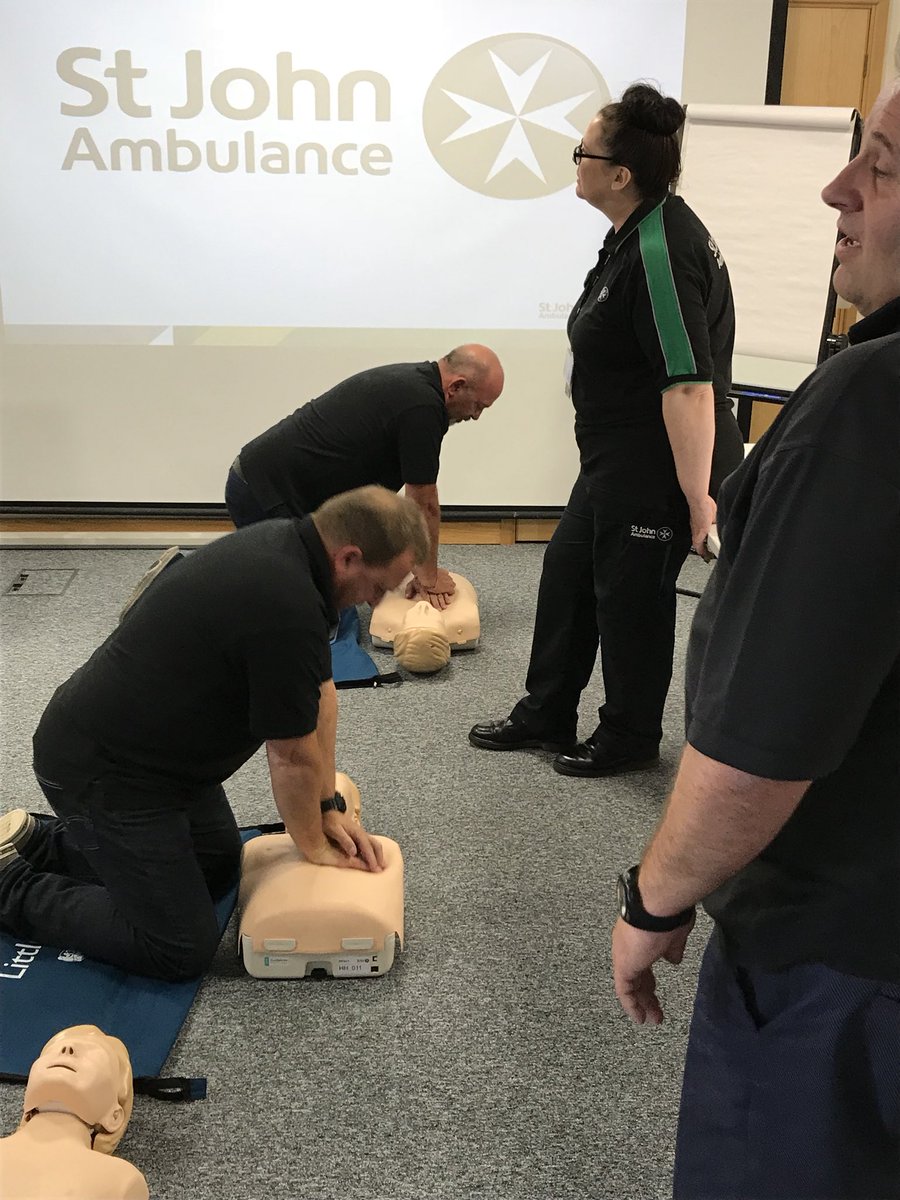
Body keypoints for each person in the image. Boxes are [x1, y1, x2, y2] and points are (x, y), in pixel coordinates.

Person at [611, 80, 900, 1200]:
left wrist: (657, 897)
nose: (839, 189)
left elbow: (768, 739)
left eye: (879, 167)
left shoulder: (871, 405)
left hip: (846, 966)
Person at [0, 486, 429, 982]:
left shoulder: (293, 550)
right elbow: (289, 756)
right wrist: (314, 845)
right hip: (102, 771)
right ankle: (11, 884)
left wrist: (327, 804)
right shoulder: (284, 602)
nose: (376, 602)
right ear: (349, 557)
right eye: (378, 588)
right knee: (178, 947)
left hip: (163, 765)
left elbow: (322, 695)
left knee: (219, 868)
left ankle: (44, 845)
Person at [469, 83, 743, 776]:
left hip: (659, 465)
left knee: (631, 599)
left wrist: (698, 498)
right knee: (567, 573)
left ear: (619, 174)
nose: (576, 162)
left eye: (582, 152)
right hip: (616, 461)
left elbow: (687, 383)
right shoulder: (635, 231)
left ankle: (627, 736)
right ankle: (547, 711)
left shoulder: (660, 248)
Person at [225, 346, 504, 610]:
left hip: (279, 488)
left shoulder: (416, 386)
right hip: (263, 492)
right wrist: (428, 577)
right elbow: (423, 502)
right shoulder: (422, 408)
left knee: (346, 588)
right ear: (456, 386)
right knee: (309, 611)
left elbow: (370, 501)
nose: (476, 416)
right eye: (478, 406)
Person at [0, 1024, 149, 1199]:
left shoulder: (121, 1182)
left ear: (114, 1116)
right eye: (52, 1051)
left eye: (93, 1054)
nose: (67, 1049)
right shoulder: (118, 1180)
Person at [370, 571, 480, 673]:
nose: (423, 606)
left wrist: (427, 577)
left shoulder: (387, 617)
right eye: (430, 619)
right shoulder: (463, 619)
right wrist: (428, 578)